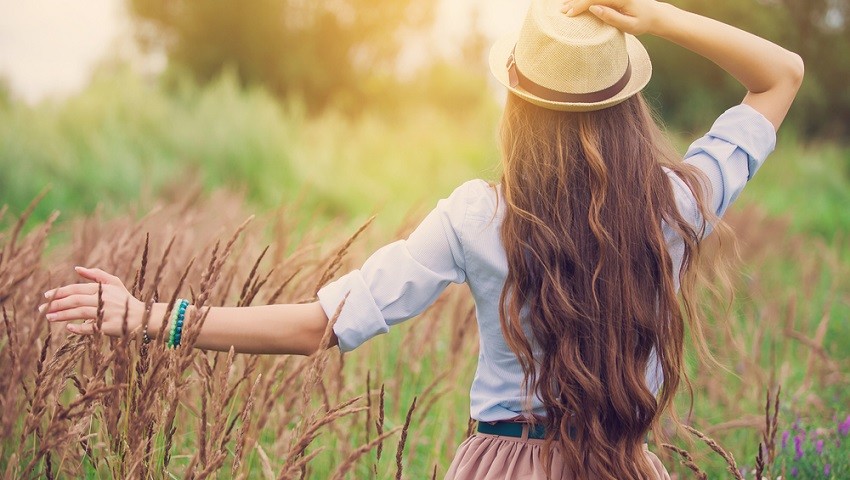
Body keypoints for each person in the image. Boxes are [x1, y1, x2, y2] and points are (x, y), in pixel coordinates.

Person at [41, 0, 803, 478]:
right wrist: (660, 16)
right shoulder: (677, 203)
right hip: (623, 465)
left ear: (518, 104)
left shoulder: (478, 217)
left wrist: (147, 316)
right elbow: (781, 75)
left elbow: (318, 325)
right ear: (626, 102)